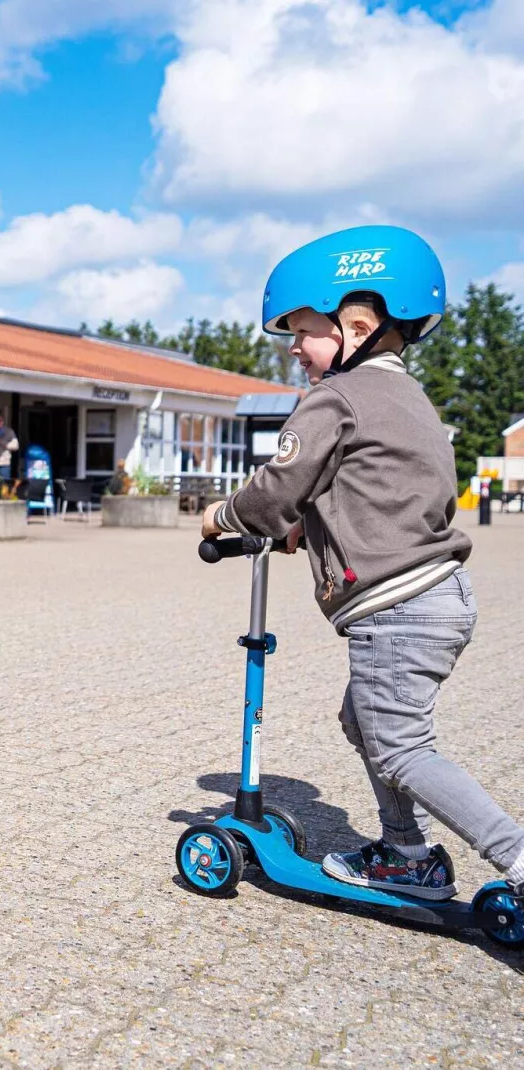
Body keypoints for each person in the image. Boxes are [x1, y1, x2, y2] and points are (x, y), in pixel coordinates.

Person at [202, 225, 524, 900]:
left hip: (397, 609)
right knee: (364, 720)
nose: (294, 348)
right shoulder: (410, 401)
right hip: (441, 596)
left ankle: (514, 858)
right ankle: (405, 852)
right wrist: (301, 530)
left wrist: (223, 516)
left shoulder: (335, 397)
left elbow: (277, 487)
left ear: (356, 323)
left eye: (303, 331)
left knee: (401, 744)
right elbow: (372, 491)